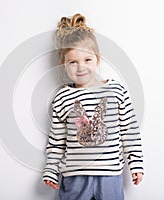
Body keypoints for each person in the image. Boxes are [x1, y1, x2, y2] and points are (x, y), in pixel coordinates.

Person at [42, 13, 144, 200]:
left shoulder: (116, 90)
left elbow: (130, 132)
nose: (81, 67)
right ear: (63, 65)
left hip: (110, 176)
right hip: (74, 178)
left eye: (87, 60)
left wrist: (136, 163)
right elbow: (57, 141)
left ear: (97, 59)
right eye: (73, 62)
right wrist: (51, 169)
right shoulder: (63, 97)